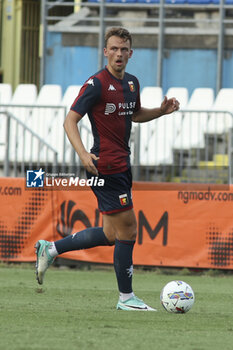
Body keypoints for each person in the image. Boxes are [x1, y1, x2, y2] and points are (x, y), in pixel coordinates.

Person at [35, 27, 180, 311]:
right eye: (113, 48)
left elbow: (135, 114)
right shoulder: (96, 84)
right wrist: (82, 154)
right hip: (104, 168)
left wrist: (160, 111)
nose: (119, 54)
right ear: (105, 52)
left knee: (112, 234)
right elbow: (70, 121)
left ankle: (51, 249)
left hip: (122, 166)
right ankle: (126, 298)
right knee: (129, 231)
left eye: (124, 49)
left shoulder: (132, 84)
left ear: (131, 53)